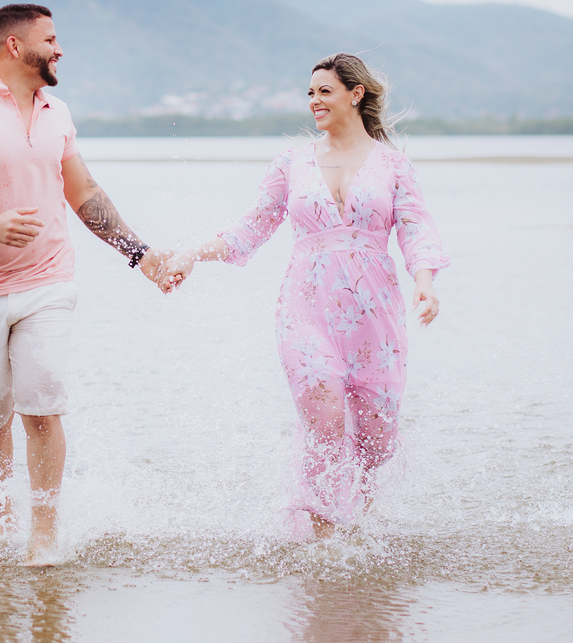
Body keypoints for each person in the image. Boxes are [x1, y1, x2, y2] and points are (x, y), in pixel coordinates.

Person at [0, 3, 171, 565]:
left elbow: (83, 193)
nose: (59, 49)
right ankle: (3, 514)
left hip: (48, 281)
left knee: (43, 407)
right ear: (14, 46)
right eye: (51, 39)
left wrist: (140, 254)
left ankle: (44, 536)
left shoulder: (58, 112)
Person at [158, 53, 449, 540]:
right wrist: (193, 253)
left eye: (324, 91)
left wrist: (425, 280)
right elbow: (253, 227)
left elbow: (416, 227)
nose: (314, 100)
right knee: (323, 413)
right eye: (310, 92)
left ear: (355, 95)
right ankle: (321, 541)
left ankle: (357, 524)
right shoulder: (292, 163)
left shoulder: (394, 165)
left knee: (377, 438)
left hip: (375, 314)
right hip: (306, 309)